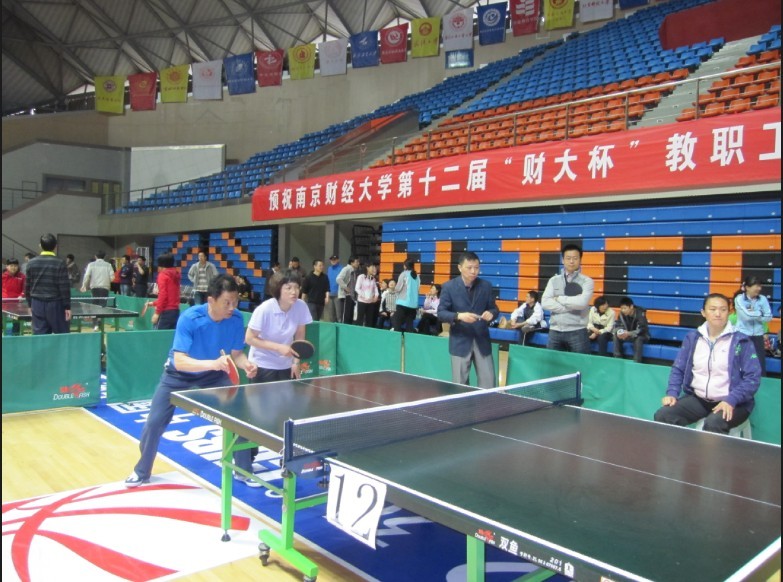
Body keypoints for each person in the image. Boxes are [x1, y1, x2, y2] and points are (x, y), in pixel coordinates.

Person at [125, 274, 257, 488]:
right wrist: (213, 363)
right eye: (227, 302)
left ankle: (243, 469)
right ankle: (142, 471)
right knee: (154, 422)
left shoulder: (235, 319)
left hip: (214, 375)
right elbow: (180, 361)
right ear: (211, 300)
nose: (232, 307)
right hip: (178, 376)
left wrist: (246, 364)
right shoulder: (190, 318)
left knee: (239, 415)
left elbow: (236, 354)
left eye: (235, 302)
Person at [241, 270, 312, 483]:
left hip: (285, 366)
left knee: (287, 415)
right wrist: (278, 347)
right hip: (262, 366)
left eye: (296, 287)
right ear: (278, 289)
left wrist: (295, 361)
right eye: (288, 288)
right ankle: (244, 463)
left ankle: (287, 461)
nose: (293, 292)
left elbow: (300, 335)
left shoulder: (300, 306)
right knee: (257, 416)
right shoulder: (264, 309)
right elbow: (249, 338)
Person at [653, 293, 761, 434]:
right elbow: (678, 368)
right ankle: (677, 449)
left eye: (723, 309)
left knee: (713, 423)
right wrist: (672, 393)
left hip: (734, 403)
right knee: (663, 415)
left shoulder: (742, 341)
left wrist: (731, 400)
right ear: (703, 312)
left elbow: (753, 378)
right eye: (713, 309)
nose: (718, 314)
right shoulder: (692, 338)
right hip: (699, 400)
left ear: (729, 312)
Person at [437, 251, 499, 388]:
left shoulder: (486, 286)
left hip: (482, 341)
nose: (473, 271)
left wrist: (491, 313)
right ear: (460, 268)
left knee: (489, 384)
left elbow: (494, 309)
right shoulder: (449, 287)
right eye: (469, 267)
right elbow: (441, 313)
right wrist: (458, 316)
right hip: (460, 341)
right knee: (460, 385)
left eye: (476, 268)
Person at [541, 243, 594, 354]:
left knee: (580, 363)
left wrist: (559, 298)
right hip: (555, 330)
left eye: (575, 258)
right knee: (553, 363)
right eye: (568, 258)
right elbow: (545, 302)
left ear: (580, 260)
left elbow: (582, 303)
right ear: (563, 260)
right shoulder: (553, 280)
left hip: (577, 331)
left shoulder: (587, 281)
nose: (571, 261)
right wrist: (570, 306)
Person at [23, 234, 71, 335]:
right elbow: (64, 287)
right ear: (55, 246)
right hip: (56, 304)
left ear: (40, 246)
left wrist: (29, 304)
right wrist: (67, 307)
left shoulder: (31, 263)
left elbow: (27, 286)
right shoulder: (60, 263)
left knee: (40, 337)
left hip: (37, 304)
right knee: (61, 335)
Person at [733, 276, 773, 376]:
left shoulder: (763, 299)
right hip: (743, 334)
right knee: (742, 362)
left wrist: (753, 314)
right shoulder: (739, 299)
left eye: (760, 286)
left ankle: (762, 383)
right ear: (747, 287)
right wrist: (760, 313)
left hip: (758, 335)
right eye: (756, 286)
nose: (759, 288)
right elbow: (746, 317)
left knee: (760, 363)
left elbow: (769, 317)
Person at [146, 253, 181, 330]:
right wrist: (154, 303)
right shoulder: (175, 274)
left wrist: (157, 313)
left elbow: (163, 295)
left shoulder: (163, 275)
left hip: (166, 312)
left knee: (160, 336)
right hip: (175, 311)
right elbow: (170, 296)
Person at [81, 250, 114, 331]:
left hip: (94, 288)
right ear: (104, 257)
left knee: (94, 306)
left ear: (95, 256)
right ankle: (99, 322)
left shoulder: (91, 265)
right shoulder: (108, 265)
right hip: (105, 288)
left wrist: (84, 285)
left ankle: (95, 324)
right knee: (102, 306)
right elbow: (113, 278)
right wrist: (106, 280)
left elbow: (87, 276)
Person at [613, 297, 649, 363]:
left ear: (631, 307)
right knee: (615, 335)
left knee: (638, 339)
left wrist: (628, 333)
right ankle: (617, 359)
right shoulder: (621, 314)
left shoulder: (640, 314)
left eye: (625, 308)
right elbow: (617, 325)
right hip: (628, 335)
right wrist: (619, 332)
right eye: (621, 308)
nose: (623, 310)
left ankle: (637, 361)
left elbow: (642, 329)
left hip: (642, 335)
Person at [391, 259, 421, 333]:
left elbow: (398, 288)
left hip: (403, 302)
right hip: (413, 304)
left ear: (405, 266)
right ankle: (409, 339)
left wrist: (393, 288)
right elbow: (418, 289)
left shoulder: (404, 274)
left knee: (396, 321)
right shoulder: (417, 276)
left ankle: (397, 338)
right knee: (409, 324)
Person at [2, 258, 26, 335]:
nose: (13, 267)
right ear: (7, 266)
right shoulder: (2, 276)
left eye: (15, 266)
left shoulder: (22, 276)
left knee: (16, 321)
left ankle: (16, 334)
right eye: (11, 265)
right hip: (4, 302)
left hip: (17, 303)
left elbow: (25, 289)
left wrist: (21, 295)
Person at [355, 262, 380, 327]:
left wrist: (376, 297)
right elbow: (357, 288)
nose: (374, 269)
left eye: (374, 267)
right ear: (367, 268)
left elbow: (375, 289)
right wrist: (365, 296)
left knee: (369, 320)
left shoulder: (373, 278)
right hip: (362, 302)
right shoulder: (361, 277)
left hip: (370, 302)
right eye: (372, 267)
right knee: (360, 319)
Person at [336, 255, 360, 324]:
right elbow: (338, 279)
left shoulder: (354, 271)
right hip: (345, 296)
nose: (358, 263)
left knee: (350, 316)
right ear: (351, 262)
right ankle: (343, 330)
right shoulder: (346, 269)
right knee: (345, 317)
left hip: (351, 297)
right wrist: (346, 288)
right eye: (356, 262)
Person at [325, 255, 342, 322]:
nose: (333, 261)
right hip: (330, 293)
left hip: (338, 294)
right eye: (332, 259)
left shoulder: (341, 268)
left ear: (338, 260)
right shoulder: (329, 268)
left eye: (335, 259)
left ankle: (339, 327)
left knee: (339, 315)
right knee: (331, 315)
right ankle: (332, 328)